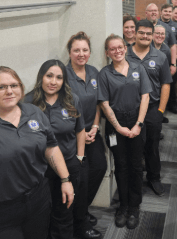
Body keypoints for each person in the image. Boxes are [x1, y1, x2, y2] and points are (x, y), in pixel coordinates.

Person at [0, 66, 74, 239]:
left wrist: (65, 179)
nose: (9, 91)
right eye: (1, 87)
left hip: (38, 200)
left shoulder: (34, 113)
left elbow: (51, 146)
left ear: (21, 89)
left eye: (14, 85)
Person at [24, 60, 100, 239]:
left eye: (58, 77)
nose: (53, 81)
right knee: (41, 214)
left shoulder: (71, 99)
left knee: (64, 213)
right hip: (40, 169)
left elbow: (80, 129)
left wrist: (80, 157)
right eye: (49, 76)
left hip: (68, 164)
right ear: (41, 77)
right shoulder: (28, 102)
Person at [98, 34, 151, 229]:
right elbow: (104, 103)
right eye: (112, 49)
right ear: (107, 52)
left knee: (136, 166)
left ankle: (134, 207)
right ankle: (123, 205)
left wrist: (138, 124)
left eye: (120, 47)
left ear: (125, 48)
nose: (117, 51)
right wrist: (119, 127)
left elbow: (145, 97)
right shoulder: (104, 74)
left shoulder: (139, 69)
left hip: (137, 121)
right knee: (121, 165)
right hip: (115, 125)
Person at [65, 32, 108, 230]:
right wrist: (81, 132)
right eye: (76, 50)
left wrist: (96, 127)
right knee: (80, 178)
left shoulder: (93, 72)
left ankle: (81, 210)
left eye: (85, 50)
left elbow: (98, 103)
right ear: (69, 52)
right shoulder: (63, 76)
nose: (81, 54)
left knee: (99, 168)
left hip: (92, 131)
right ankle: (78, 220)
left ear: (90, 52)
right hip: (74, 137)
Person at [126, 20, 173, 197]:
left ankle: (154, 177)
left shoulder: (160, 57)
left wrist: (161, 111)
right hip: (131, 109)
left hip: (153, 108)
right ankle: (134, 178)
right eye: (141, 33)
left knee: (152, 145)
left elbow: (166, 85)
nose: (145, 36)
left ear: (152, 35)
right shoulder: (125, 54)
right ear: (135, 34)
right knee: (134, 145)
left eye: (148, 33)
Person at [145, 3, 177, 74]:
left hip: (163, 63)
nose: (153, 13)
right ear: (146, 12)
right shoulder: (141, 26)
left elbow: (173, 45)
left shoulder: (166, 27)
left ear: (158, 12)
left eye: (155, 11)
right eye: (151, 11)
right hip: (145, 64)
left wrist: (173, 64)